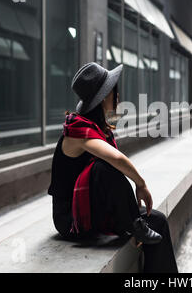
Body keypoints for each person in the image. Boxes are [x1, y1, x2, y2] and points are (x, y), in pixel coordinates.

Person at [47, 62, 178, 273]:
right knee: (103, 166)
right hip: (71, 219)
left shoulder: (97, 129)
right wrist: (141, 184)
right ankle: (134, 224)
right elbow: (117, 159)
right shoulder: (77, 131)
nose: (117, 96)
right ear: (102, 98)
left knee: (159, 221)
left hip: (95, 207)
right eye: (112, 90)